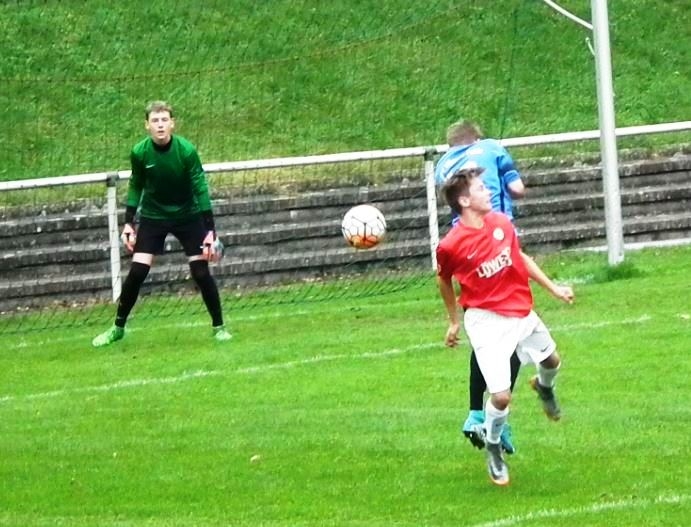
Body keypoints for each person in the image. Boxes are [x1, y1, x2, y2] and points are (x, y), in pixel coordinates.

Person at [436, 166, 573, 486]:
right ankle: (494, 446)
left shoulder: (500, 223)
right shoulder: (451, 245)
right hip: (486, 322)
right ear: (465, 201)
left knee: (552, 361)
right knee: (501, 398)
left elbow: (519, 257)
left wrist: (554, 289)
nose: (489, 192)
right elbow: (443, 280)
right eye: (481, 188)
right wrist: (453, 321)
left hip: (520, 311)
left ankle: (544, 387)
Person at [92, 100, 231, 347]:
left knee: (200, 272)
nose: (160, 125)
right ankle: (117, 328)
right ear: (147, 125)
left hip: (188, 215)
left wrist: (210, 231)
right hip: (154, 216)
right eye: (155, 120)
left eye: (164, 120)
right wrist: (128, 223)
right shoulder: (140, 152)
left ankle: (219, 327)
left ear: (172, 123)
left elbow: (200, 187)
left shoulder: (186, 151)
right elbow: (136, 185)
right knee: (137, 271)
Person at [434, 120, 525, 454]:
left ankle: (476, 413)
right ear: (477, 138)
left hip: (466, 248)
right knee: (513, 335)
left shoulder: (442, 166)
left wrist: (452, 319)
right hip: (497, 242)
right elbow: (517, 189)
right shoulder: (493, 148)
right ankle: (497, 418)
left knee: (488, 333)